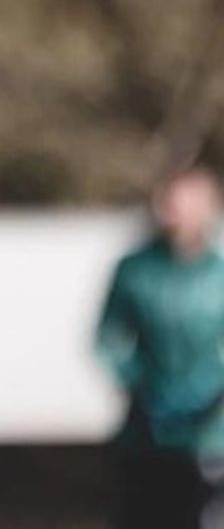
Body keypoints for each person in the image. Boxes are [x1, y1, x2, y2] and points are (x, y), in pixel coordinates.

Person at [96, 166, 224, 529]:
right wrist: (140, 385)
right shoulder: (136, 271)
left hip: (211, 432)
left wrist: (212, 392)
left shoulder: (218, 275)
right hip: (148, 431)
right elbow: (108, 339)